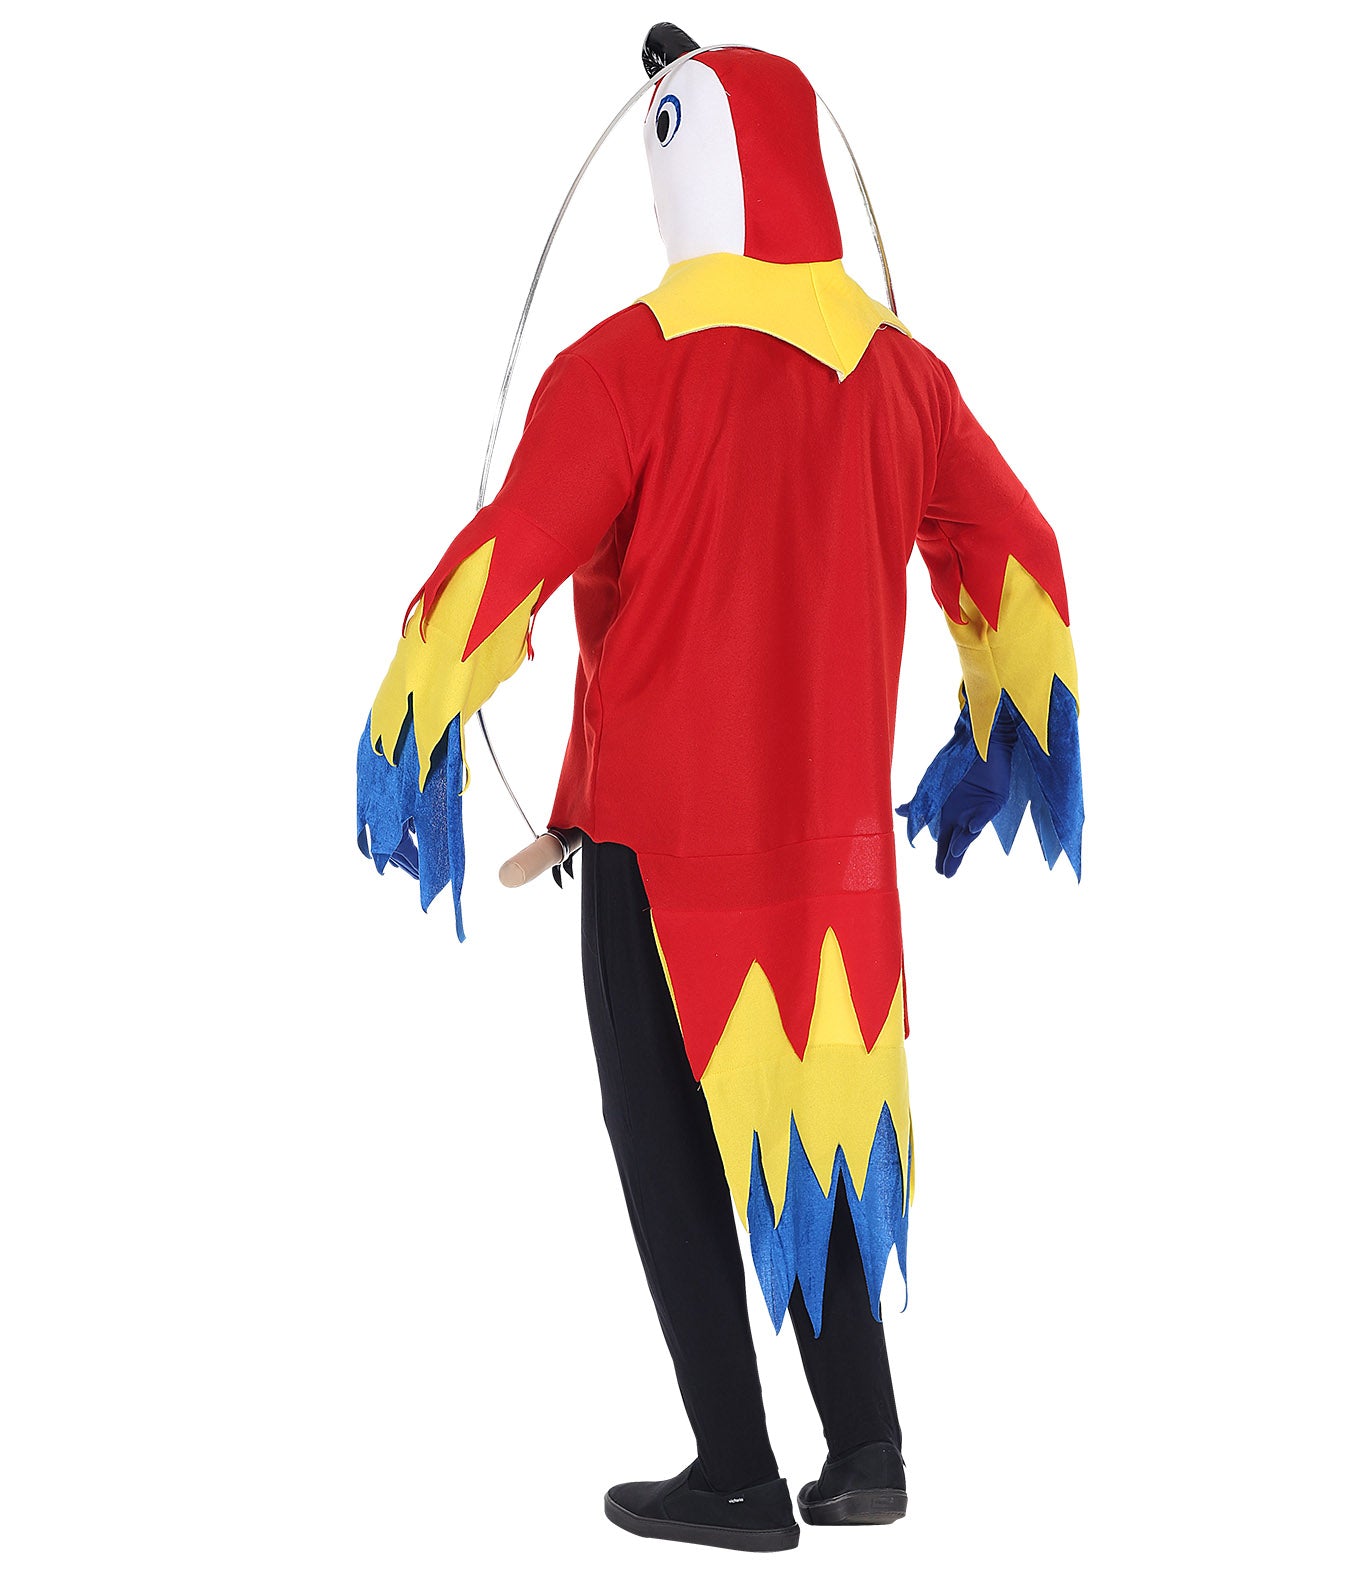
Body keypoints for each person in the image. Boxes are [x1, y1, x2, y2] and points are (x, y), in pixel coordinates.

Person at [357, 24, 1083, 1554]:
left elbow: (513, 556)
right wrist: (1007, 721)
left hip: (662, 848)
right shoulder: (902, 374)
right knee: (816, 1123)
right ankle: (867, 1448)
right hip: (831, 857)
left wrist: (414, 710)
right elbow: (1019, 553)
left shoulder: (626, 366)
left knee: (669, 1137)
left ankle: (737, 1471)